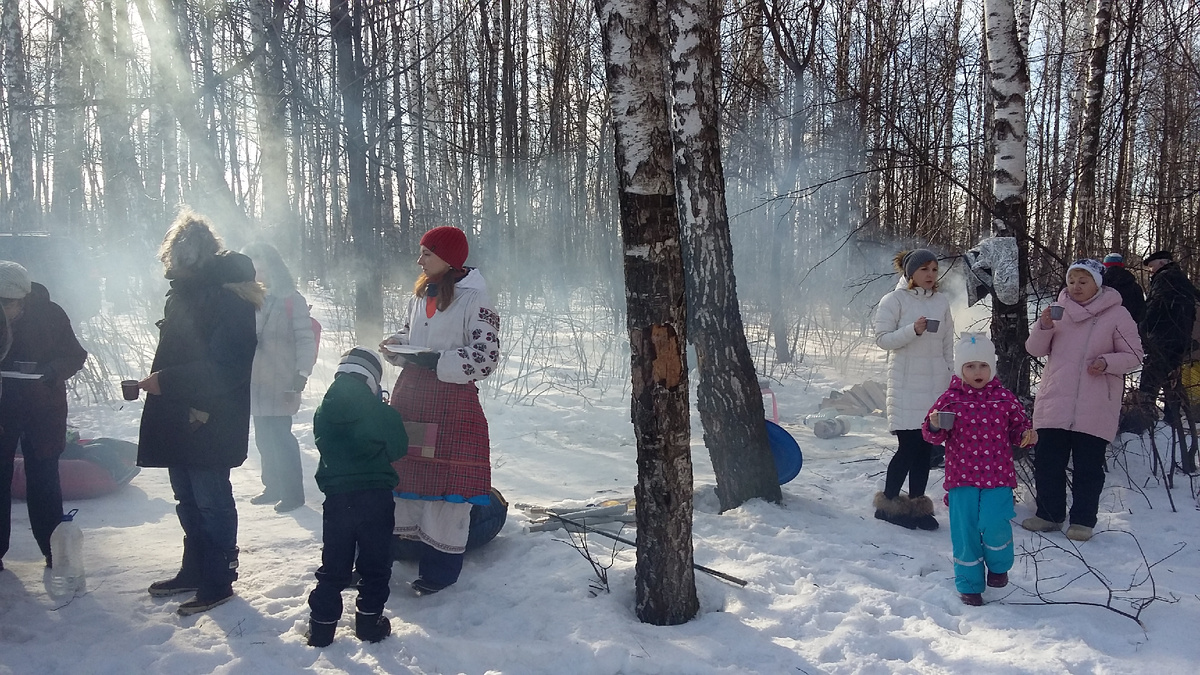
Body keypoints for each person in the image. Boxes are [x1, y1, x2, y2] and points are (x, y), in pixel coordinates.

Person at [136, 211, 262, 615]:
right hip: (178, 410)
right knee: (186, 496)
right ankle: (194, 569)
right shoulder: (184, 294)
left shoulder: (229, 297)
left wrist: (168, 381)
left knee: (211, 499)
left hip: (211, 414)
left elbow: (227, 366)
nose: (173, 264)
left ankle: (218, 577)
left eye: (179, 256)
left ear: (195, 257)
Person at [380, 225, 500, 594]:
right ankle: (399, 548)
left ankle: (440, 571)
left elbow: (485, 358)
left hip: (451, 402)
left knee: (448, 487)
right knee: (407, 478)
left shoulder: (475, 302)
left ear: (448, 258)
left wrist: (438, 362)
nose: (419, 260)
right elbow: (411, 334)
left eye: (427, 253)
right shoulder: (422, 294)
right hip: (412, 398)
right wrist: (397, 344)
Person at [1022, 259, 1143, 542]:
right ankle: (1048, 515)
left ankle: (1083, 521)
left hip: (1096, 404)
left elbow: (1135, 355)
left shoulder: (1118, 314)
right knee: (1048, 461)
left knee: (1088, 467)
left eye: (1083, 281)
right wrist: (1044, 325)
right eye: (1072, 280)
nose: (1075, 287)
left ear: (1097, 284)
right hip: (1056, 400)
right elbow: (1034, 349)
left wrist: (1106, 362)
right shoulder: (1057, 309)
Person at [923, 332, 1036, 606]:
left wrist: (1026, 434)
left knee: (995, 522)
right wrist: (936, 424)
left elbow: (1019, 426)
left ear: (992, 368)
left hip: (998, 476)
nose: (977, 372)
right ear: (960, 369)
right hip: (962, 479)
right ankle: (970, 584)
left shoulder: (1004, 399)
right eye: (970, 366)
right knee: (966, 532)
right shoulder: (949, 400)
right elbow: (931, 434)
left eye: (983, 365)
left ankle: (998, 565)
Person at [305, 348, 408, 647]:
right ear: (372, 381)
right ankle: (368, 623)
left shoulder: (323, 411)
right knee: (375, 564)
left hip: (337, 499)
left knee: (334, 566)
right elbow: (398, 448)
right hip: (376, 498)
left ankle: (322, 628)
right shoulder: (381, 412)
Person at [0, 261, 88, 572]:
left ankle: (54, 552)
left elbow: (75, 355)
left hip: (43, 410)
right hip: (3, 410)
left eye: (6, 303)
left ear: (21, 299)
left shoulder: (50, 316)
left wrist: (51, 372)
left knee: (44, 482)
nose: (2, 309)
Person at [871, 249, 954, 531]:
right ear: (910, 273)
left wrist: (949, 379)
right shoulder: (894, 300)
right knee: (908, 448)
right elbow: (882, 339)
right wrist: (912, 330)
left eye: (934, 269)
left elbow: (947, 346)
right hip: (906, 386)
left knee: (925, 450)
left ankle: (918, 507)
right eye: (924, 270)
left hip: (934, 389)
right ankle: (889, 505)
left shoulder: (941, 302)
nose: (930, 275)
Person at [242, 242, 317, 513]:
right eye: (252, 267)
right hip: (255, 380)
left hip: (282, 380)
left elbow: (305, 339)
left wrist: (301, 375)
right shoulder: (247, 298)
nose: (257, 273)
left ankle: (292, 493)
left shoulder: (290, 300)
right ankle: (271, 486)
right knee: (263, 436)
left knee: (281, 436)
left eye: (261, 266)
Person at [1137, 250, 1198, 403]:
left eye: (1152, 267)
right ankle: (1173, 416)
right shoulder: (1182, 279)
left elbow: (1155, 306)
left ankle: (1144, 412)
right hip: (1182, 336)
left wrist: (1142, 327)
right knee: (1172, 377)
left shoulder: (1165, 279)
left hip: (1163, 336)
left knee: (1150, 377)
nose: (1150, 271)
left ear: (1162, 263)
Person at [1101, 253, 1146, 326]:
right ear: (1122, 265)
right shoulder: (1134, 286)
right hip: (1128, 328)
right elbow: (1141, 312)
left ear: (1105, 265)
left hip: (1103, 327)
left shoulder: (1099, 285)